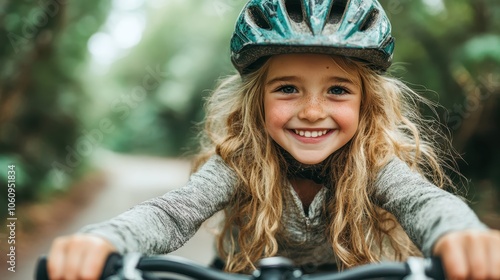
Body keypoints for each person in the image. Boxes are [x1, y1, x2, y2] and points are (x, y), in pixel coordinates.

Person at [47, 0, 500, 279]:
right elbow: (169, 215)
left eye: (338, 90)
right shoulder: (240, 162)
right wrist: (103, 239)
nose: (311, 111)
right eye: (287, 88)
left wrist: (461, 235)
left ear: (368, 105)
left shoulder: (374, 162)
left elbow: (424, 202)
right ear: (255, 102)